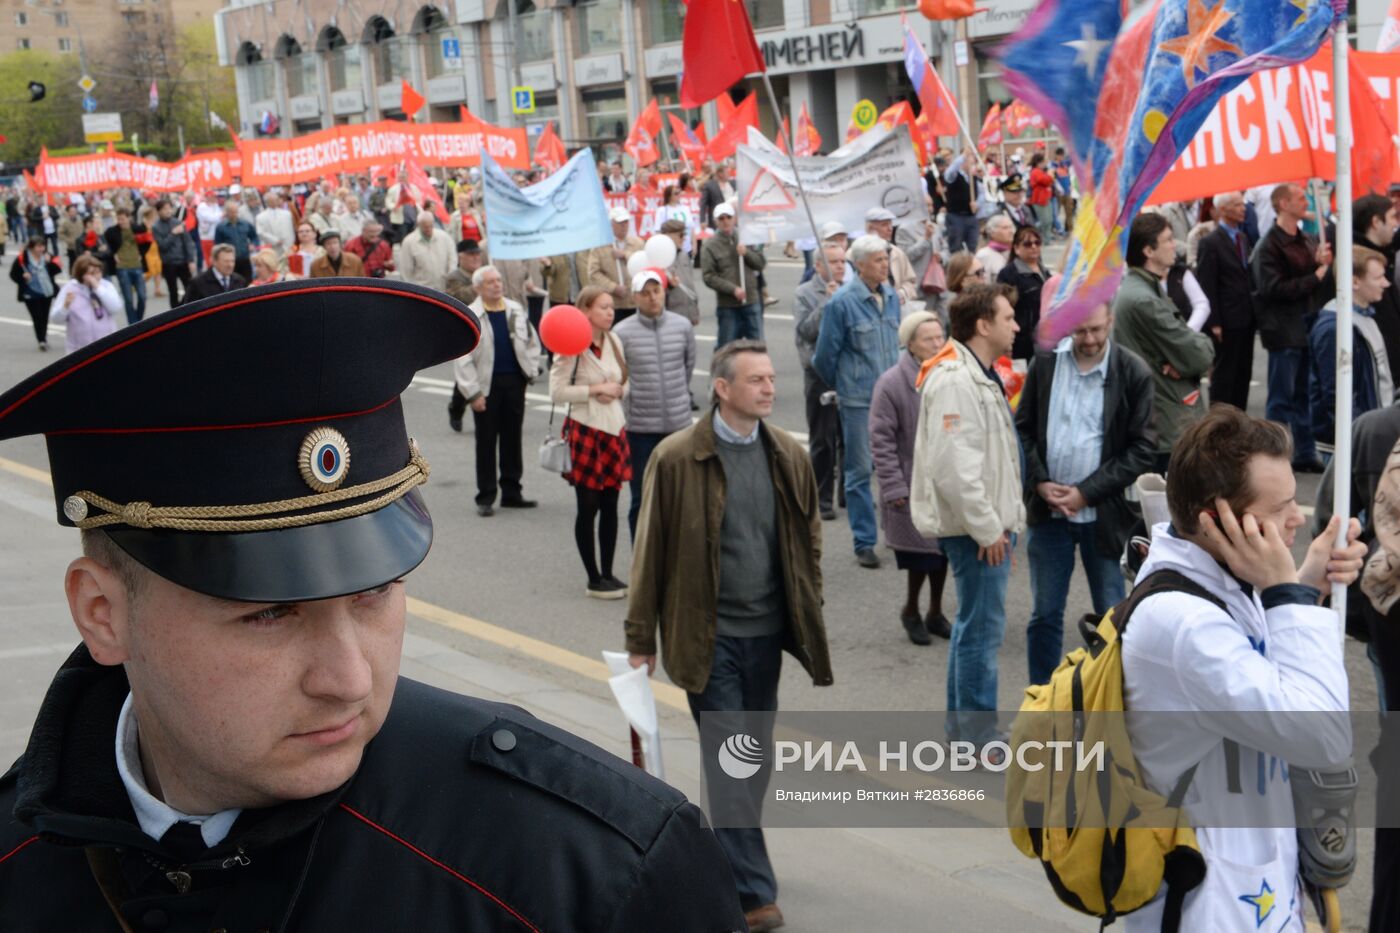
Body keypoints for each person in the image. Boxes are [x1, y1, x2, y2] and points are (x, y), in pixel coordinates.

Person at [0, 279, 747, 932]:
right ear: (103, 613)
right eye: (268, 612)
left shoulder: (593, 879)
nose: (349, 678)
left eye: (375, 592)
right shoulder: (17, 866)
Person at [1119, 407, 1364, 932]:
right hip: (1210, 905)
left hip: (1252, 891)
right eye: (1279, 509)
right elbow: (1322, 732)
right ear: (1220, 522)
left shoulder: (1216, 579)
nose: (1298, 518)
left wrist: (1305, 584)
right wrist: (1290, 597)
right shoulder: (1183, 624)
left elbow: (1267, 679)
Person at [625, 339, 831, 933]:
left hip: (767, 636)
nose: (770, 388)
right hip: (705, 638)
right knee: (733, 761)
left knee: (752, 760)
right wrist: (642, 638)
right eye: (757, 380)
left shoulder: (788, 455)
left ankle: (733, 855)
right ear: (722, 388)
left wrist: (806, 601)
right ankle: (753, 893)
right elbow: (649, 554)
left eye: (770, 379)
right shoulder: (676, 457)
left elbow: (808, 536)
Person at [1015, 302, 1156, 684]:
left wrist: (1086, 493)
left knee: (1111, 617)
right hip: (1049, 515)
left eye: (1096, 329)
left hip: (1103, 518)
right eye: (1080, 332)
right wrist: (1040, 481)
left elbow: (1143, 448)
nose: (1089, 340)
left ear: (1111, 320)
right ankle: (1041, 704)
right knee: (1044, 615)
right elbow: (1022, 428)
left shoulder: (1132, 371)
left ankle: (1108, 702)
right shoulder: (1045, 363)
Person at [910, 284, 1025, 751]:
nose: (1016, 325)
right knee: (981, 634)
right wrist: (987, 527)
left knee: (970, 629)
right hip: (979, 532)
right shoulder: (957, 378)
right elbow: (955, 467)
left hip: (984, 527)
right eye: (1008, 317)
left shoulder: (974, 372)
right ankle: (977, 737)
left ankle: (963, 732)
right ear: (983, 325)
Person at [813, 234, 902, 569]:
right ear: (860, 265)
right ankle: (864, 541)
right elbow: (824, 356)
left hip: (892, 397)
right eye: (878, 260)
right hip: (859, 400)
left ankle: (896, 531)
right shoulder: (842, 303)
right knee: (860, 470)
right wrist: (846, 385)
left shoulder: (891, 296)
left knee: (896, 467)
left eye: (885, 259)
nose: (884, 265)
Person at [870, 311, 953, 644]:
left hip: (945, 481)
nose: (936, 343)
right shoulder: (891, 383)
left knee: (944, 551)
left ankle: (935, 611)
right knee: (921, 555)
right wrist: (893, 486)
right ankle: (911, 610)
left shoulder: (949, 374)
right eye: (928, 339)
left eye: (939, 336)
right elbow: (880, 439)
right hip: (911, 480)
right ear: (910, 344)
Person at [1113, 212, 1215, 473]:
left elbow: (1188, 351)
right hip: (1166, 416)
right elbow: (1200, 355)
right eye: (1168, 239)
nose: (1175, 245)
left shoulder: (1145, 289)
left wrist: (1186, 356)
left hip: (1162, 413)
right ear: (1148, 250)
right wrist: (1196, 350)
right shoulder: (1143, 299)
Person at [550, 286, 632, 598]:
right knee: (588, 506)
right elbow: (556, 392)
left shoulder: (614, 340)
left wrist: (619, 390)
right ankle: (593, 576)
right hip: (586, 428)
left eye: (612, 307)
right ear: (585, 311)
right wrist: (594, 390)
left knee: (611, 504)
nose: (610, 312)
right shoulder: (573, 345)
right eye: (603, 307)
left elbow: (625, 379)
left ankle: (609, 573)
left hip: (613, 428)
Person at [612, 269, 697, 539]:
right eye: (645, 293)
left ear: (664, 292)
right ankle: (643, 558)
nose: (652, 298)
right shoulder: (622, 332)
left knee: (682, 495)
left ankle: (677, 556)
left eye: (656, 291)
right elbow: (620, 376)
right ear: (635, 297)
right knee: (642, 496)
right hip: (640, 428)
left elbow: (688, 367)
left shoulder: (681, 326)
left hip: (678, 424)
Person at [451, 265, 542, 515]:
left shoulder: (515, 310)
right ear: (478, 287)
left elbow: (533, 343)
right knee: (487, 441)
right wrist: (473, 393)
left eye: (498, 280)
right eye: (490, 282)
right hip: (486, 388)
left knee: (513, 439)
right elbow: (463, 358)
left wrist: (531, 370)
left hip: (514, 383)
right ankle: (486, 496)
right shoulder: (472, 315)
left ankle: (512, 492)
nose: (497, 285)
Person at [1254, 182, 1333, 473]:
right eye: (1300, 198)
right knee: (1281, 399)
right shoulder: (1269, 245)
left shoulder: (1304, 239)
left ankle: (1304, 452)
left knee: (1303, 397)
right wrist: (1316, 275)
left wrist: (1317, 262)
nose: (1306, 202)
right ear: (1283, 204)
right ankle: (1272, 457)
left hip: (1304, 329)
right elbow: (1272, 289)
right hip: (1284, 331)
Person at [1309, 245, 1395, 445]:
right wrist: (1359, 438)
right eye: (1378, 278)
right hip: (1352, 442)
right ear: (1355, 282)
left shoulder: (1366, 317)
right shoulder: (1335, 328)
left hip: (1370, 431)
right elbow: (1337, 396)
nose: (1386, 283)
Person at [794, 239, 847, 521]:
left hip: (847, 373)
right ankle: (821, 496)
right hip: (819, 374)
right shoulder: (805, 293)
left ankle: (847, 493)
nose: (840, 266)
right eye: (834, 262)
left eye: (842, 261)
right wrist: (828, 302)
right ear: (818, 265)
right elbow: (805, 330)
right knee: (823, 440)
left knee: (848, 438)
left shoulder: (850, 289)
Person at [1195, 191, 1257, 411]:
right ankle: (1220, 417)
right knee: (1224, 374)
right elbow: (1207, 283)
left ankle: (1240, 416)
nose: (1243, 209)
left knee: (1243, 371)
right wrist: (1214, 322)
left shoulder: (1242, 238)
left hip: (1246, 316)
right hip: (1226, 319)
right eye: (1237, 205)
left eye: (1243, 205)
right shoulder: (1210, 242)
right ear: (1223, 209)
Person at [701, 203, 767, 347]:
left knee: (757, 345)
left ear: (735, 218)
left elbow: (761, 264)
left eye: (728, 217)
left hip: (751, 301)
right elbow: (709, 276)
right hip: (728, 305)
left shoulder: (746, 237)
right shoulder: (710, 245)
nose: (725, 221)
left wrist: (747, 253)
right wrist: (732, 289)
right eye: (721, 218)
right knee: (727, 348)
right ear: (716, 221)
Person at [1353, 192, 1400, 375]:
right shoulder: (1355, 261)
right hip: (1377, 368)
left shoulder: (1385, 253)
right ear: (1375, 222)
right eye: (1392, 217)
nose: (1396, 223)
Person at [996, 224, 1051, 362]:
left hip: (1045, 337)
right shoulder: (1008, 274)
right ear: (1016, 248)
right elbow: (1002, 308)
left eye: (1037, 242)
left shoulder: (1044, 270)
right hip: (1022, 342)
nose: (1033, 247)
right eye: (1027, 244)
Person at [49, 254, 122, 353]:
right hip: (79, 349)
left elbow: (115, 307)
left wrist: (97, 287)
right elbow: (55, 319)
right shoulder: (69, 289)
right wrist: (65, 306)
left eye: (99, 271)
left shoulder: (106, 286)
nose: (97, 276)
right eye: (92, 273)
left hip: (106, 346)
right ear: (81, 274)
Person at [584, 208, 644, 324]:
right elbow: (593, 273)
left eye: (626, 222)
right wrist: (613, 287)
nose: (624, 226)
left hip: (635, 302)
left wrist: (626, 255)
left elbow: (644, 266)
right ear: (611, 224)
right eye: (620, 223)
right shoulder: (600, 246)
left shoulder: (638, 243)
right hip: (612, 305)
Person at [8, 235, 62, 351]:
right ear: (32, 247)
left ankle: (43, 338)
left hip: (46, 292)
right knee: (36, 317)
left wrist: (50, 262)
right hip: (30, 293)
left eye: (43, 246)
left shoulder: (47, 256)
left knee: (44, 317)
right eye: (38, 247)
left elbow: (57, 270)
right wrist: (23, 277)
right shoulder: (23, 258)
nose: (41, 249)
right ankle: (41, 340)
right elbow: (13, 274)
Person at [103, 208, 151, 325]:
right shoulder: (111, 231)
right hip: (122, 267)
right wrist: (113, 254)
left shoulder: (138, 229)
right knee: (128, 299)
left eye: (123, 219)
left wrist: (142, 253)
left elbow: (148, 241)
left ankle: (138, 320)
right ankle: (133, 324)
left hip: (137, 265)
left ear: (128, 218)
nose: (121, 222)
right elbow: (106, 244)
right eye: (119, 219)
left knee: (142, 296)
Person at [864, 207, 920, 305]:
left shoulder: (897, 253)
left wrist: (902, 293)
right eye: (884, 225)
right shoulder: (855, 254)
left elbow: (911, 281)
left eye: (890, 224)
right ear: (870, 228)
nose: (890, 228)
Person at [152, 198, 198, 308]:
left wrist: (191, 260)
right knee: (173, 291)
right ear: (159, 211)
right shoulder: (156, 227)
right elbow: (163, 246)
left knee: (190, 288)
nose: (168, 211)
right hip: (168, 263)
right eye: (164, 209)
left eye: (169, 208)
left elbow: (188, 242)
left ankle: (184, 307)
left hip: (182, 261)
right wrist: (173, 233)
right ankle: (175, 313)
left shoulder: (177, 222)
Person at [943, 148, 987, 254]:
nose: (972, 164)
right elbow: (950, 172)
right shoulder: (954, 176)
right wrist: (963, 156)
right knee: (956, 246)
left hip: (971, 217)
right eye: (970, 161)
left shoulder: (974, 178)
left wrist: (977, 204)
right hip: (956, 216)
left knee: (973, 245)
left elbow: (982, 193)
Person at [399, 212, 454, 293]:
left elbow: (452, 259)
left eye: (431, 226)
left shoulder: (444, 237)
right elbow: (406, 271)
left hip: (443, 288)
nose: (428, 229)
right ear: (419, 225)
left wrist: (451, 281)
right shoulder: (408, 242)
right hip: (421, 291)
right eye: (425, 226)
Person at [658, 218, 700, 326]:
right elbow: (656, 291)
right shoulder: (659, 259)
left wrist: (694, 313)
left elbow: (690, 286)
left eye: (685, 235)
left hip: (688, 315)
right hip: (671, 318)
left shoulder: (683, 255)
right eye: (680, 235)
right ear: (668, 236)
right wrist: (669, 285)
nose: (684, 238)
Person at [213, 199, 260, 282]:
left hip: (245, 259)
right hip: (230, 261)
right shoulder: (221, 227)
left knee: (247, 281)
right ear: (226, 212)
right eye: (231, 212)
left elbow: (254, 237)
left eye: (235, 212)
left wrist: (253, 244)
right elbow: (218, 245)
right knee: (232, 282)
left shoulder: (245, 224)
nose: (234, 214)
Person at [444, 238, 484, 312]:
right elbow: (461, 298)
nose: (476, 257)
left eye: (478, 254)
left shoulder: (485, 274)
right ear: (460, 257)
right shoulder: (453, 277)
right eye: (471, 254)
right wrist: (482, 285)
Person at [255, 191, 296, 259]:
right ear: (268, 202)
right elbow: (261, 232)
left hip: (287, 247)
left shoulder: (287, 214)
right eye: (274, 200)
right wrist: (275, 240)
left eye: (277, 199)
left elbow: (290, 229)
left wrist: (290, 243)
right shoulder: (260, 217)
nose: (277, 201)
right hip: (272, 248)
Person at [1026, 153, 1056, 241]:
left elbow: (1049, 181)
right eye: (1044, 162)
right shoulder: (1035, 171)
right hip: (1039, 199)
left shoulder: (1041, 171)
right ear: (1039, 162)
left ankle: (1047, 238)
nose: (1045, 164)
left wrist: (1049, 176)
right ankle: (1038, 236)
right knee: (1044, 221)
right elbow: (1045, 181)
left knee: (1049, 220)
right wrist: (1050, 175)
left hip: (1045, 198)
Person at [976, 215, 1015, 280]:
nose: (1011, 231)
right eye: (1005, 228)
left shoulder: (1016, 250)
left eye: (1011, 227)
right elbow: (984, 284)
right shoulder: (984, 255)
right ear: (992, 233)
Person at [699, 163, 733, 228]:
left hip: (731, 218)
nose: (729, 174)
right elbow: (703, 204)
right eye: (727, 172)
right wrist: (702, 220)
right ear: (720, 174)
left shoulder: (732, 184)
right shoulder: (710, 185)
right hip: (717, 220)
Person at [194, 190, 222, 267]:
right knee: (210, 258)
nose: (215, 198)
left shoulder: (215, 206)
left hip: (216, 236)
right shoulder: (202, 207)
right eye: (213, 196)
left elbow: (219, 218)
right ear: (208, 197)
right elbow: (211, 218)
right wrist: (220, 216)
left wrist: (219, 217)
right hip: (206, 237)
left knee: (218, 257)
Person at [57, 203, 84, 271]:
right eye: (72, 211)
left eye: (75, 211)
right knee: (73, 263)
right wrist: (69, 240)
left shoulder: (80, 220)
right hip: (72, 247)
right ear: (68, 213)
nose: (74, 213)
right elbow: (60, 234)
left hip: (81, 246)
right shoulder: (65, 222)